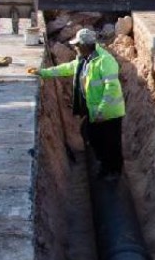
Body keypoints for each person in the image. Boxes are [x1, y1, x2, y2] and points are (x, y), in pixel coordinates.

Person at [27, 29, 127, 180]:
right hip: (94, 111)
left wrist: (102, 110)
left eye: (77, 45)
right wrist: (43, 72)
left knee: (111, 143)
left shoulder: (105, 61)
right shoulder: (84, 60)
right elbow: (67, 68)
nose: (75, 47)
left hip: (109, 111)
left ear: (86, 45)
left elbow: (111, 87)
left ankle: (114, 172)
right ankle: (104, 166)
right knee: (93, 138)